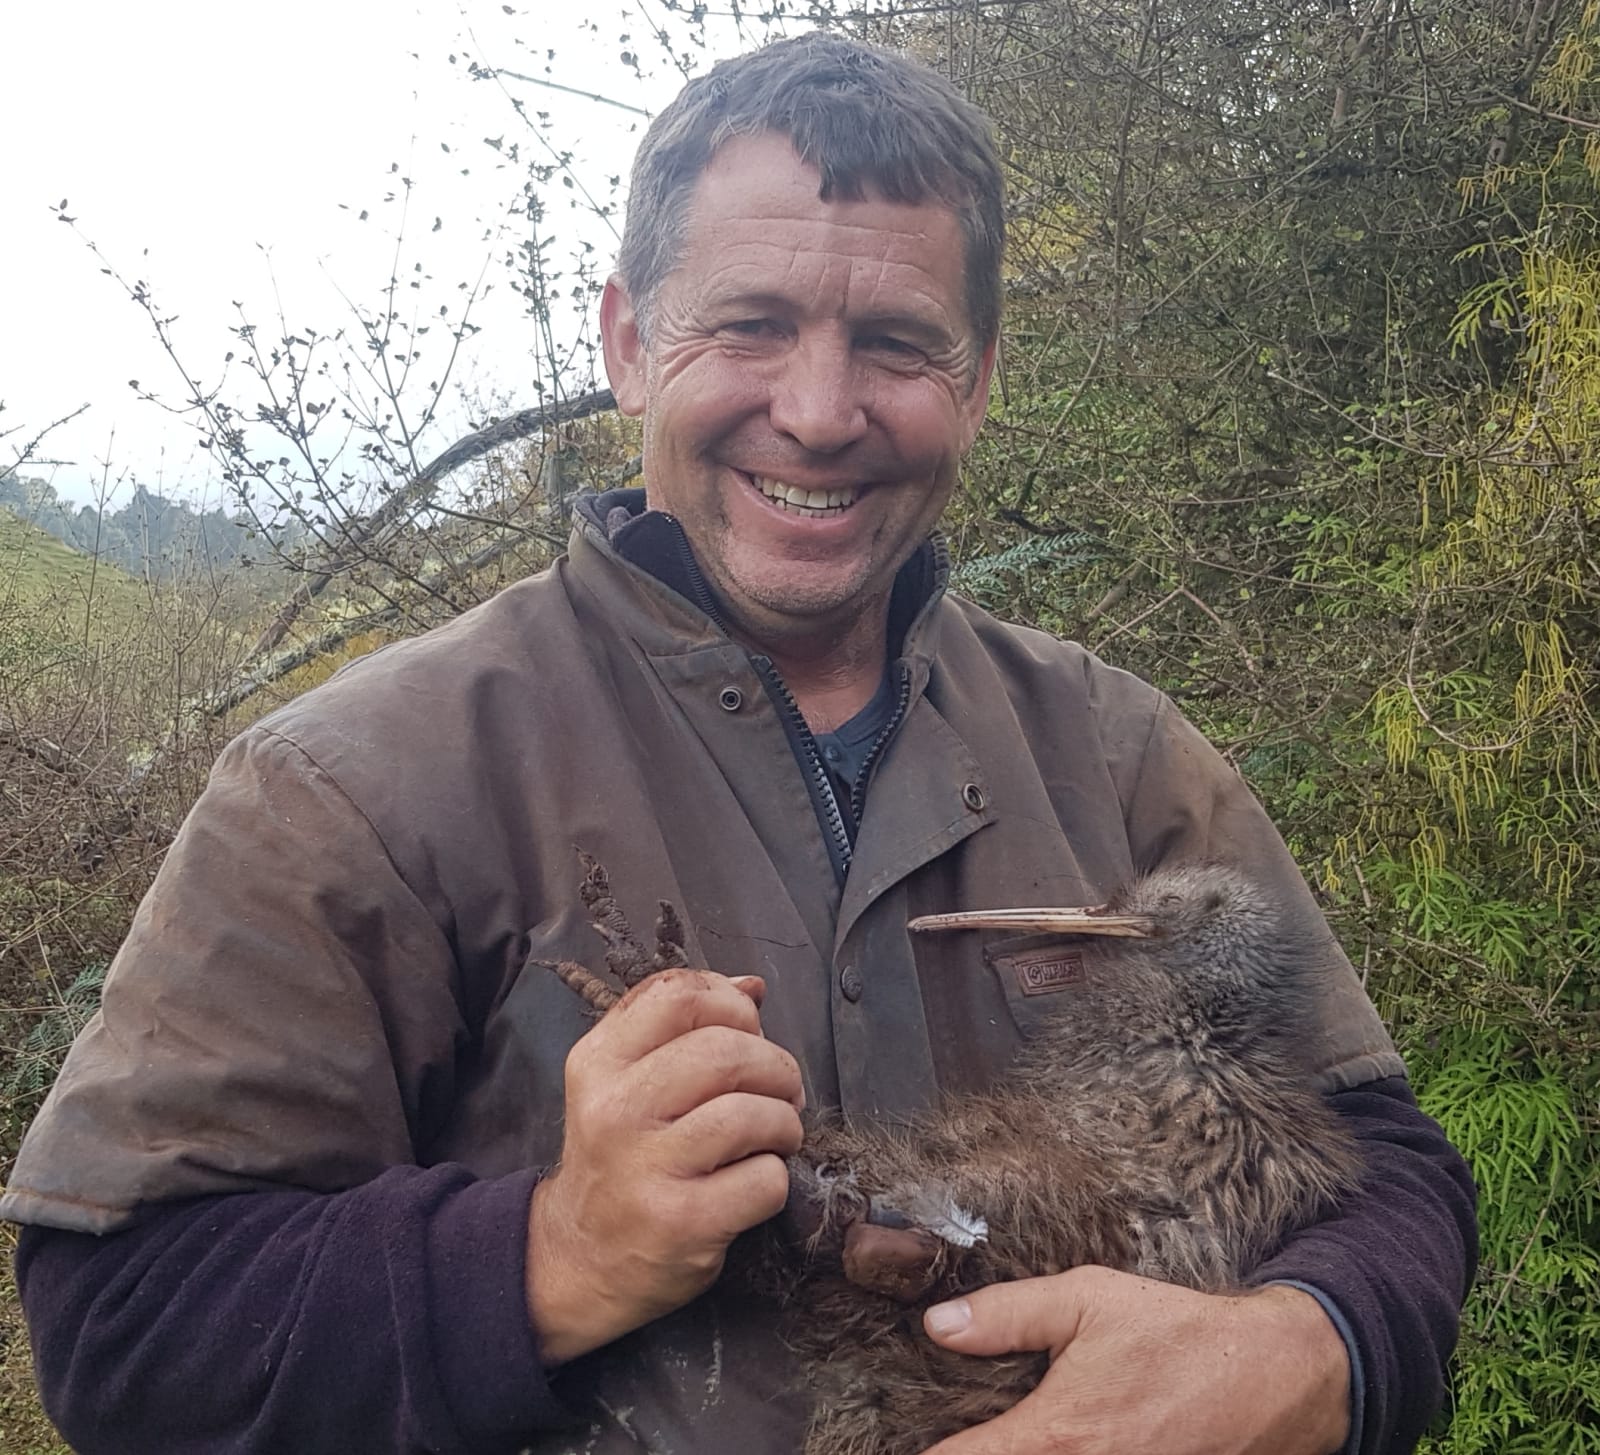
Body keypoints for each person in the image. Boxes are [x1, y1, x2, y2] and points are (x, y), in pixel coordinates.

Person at [5, 33, 1474, 1455]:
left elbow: (1391, 1174)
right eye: (751, 325)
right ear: (633, 343)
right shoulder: (354, 788)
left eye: (897, 343)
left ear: (978, 378)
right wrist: (551, 1255)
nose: (819, 412)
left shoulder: (1119, 752)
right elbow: (120, 1328)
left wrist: (1311, 1354)